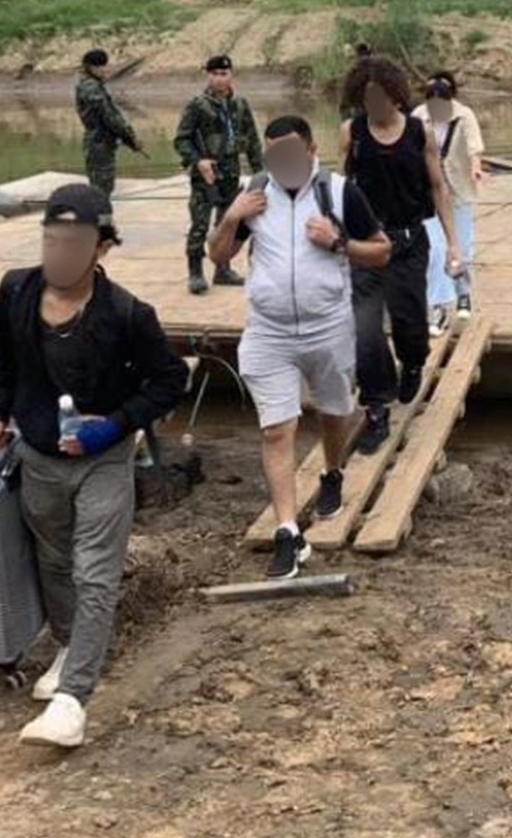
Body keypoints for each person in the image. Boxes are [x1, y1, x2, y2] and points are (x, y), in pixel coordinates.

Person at [0, 184, 188, 748]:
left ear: (101, 247)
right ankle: (72, 643)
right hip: (39, 456)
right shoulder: (16, 290)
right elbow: (0, 352)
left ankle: (73, 701)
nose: (61, 253)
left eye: (74, 242)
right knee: (53, 560)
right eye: (52, 240)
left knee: (94, 568)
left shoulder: (126, 314)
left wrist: (118, 423)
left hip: (103, 460)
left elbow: (171, 379)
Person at [209, 117, 392, 579]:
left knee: (334, 412)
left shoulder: (340, 192)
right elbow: (218, 255)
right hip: (269, 330)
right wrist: (232, 217)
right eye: (272, 156)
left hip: (327, 325)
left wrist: (339, 243)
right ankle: (288, 533)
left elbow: (382, 250)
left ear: (311, 149)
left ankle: (332, 472)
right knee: (276, 428)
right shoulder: (255, 194)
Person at [339, 56, 463, 455]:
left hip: (409, 242)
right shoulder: (352, 133)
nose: (372, 105)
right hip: (367, 243)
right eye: (365, 98)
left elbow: (439, 187)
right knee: (366, 329)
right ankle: (376, 408)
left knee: (410, 322)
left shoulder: (418, 132)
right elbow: (337, 187)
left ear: (395, 96)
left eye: (378, 97)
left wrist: (454, 244)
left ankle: (412, 362)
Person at [173, 54, 264, 295]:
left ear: (231, 75)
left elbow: (253, 141)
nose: (219, 79)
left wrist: (262, 175)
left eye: (223, 74)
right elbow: (181, 139)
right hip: (206, 174)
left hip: (231, 173)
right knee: (199, 224)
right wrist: (197, 161)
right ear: (208, 76)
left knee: (227, 222)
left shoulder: (240, 104)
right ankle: (195, 271)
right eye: (214, 74)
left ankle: (222, 269)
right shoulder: (198, 105)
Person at [411, 73, 484, 336]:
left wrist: (476, 168)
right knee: (435, 249)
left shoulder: (464, 116)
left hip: (458, 189)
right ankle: (439, 307)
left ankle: (463, 294)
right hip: (429, 191)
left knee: (461, 248)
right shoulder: (419, 116)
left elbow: (475, 146)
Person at [74, 49, 140, 196]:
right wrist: (129, 136)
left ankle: (100, 214)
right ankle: (101, 216)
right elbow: (109, 116)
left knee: (102, 185)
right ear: (89, 67)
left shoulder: (93, 85)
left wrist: (127, 136)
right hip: (99, 141)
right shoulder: (91, 87)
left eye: (104, 65)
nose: (104, 70)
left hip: (101, 140)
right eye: (99, 67)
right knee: (102, 186)